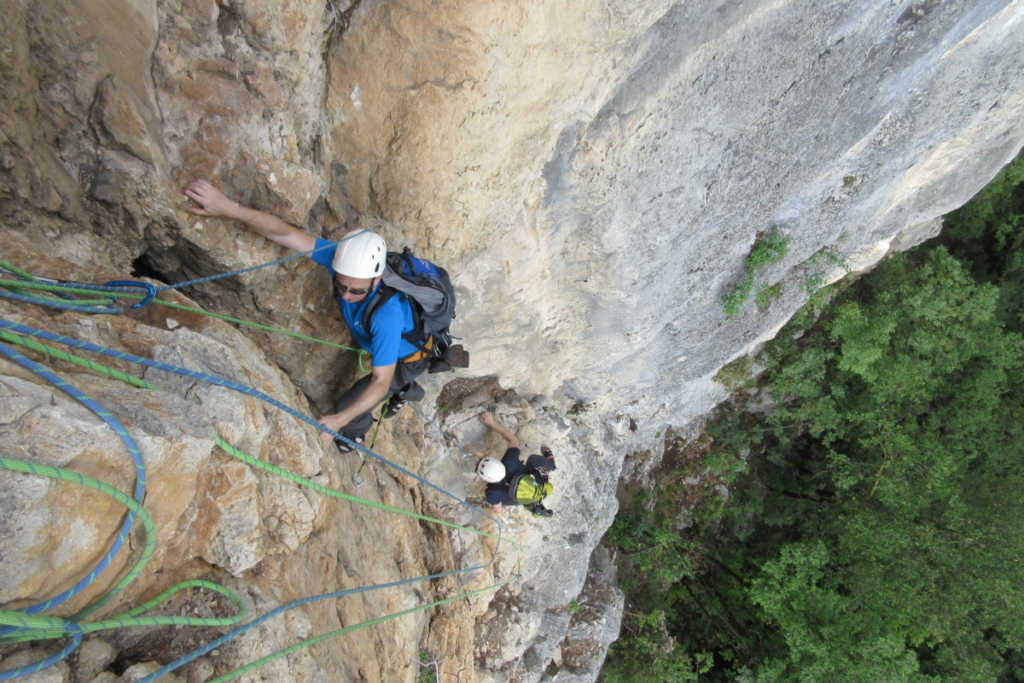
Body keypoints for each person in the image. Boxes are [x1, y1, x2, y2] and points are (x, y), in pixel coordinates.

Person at [183, 179, 429, 452]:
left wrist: (340, 420)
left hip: (406, 360)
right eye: (341, 285)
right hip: (389, 347)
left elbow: (380, 380)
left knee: (347, 406)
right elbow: (286, 234)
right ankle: (407, 390)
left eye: (356, 291)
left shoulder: (387, 316)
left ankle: (356, 435)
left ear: (376, 279)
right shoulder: (340, 261)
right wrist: (229, 208)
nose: (346, 296)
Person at [476, 411, 556, 516]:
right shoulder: (509, 461)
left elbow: (499, 510)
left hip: (523, 492)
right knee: (532, 460)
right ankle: (549, 465)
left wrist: (495, 503)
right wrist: (492, 423)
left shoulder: (492, 493)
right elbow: (513, 440)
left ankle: (531, 499)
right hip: (533, 480)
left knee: (501, 501)